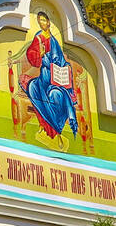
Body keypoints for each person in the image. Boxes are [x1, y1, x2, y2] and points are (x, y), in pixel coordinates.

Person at [24, 12, 78, 141]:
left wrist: (65, 67)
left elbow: (60, 59)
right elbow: (31, 53)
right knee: (33, 87)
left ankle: (56, 126)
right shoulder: (38, 37)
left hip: (57, 75)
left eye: (43, 20)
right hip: (46, 74)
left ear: (48, 22)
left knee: (56, 94)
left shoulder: (54, 40)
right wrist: (41, 55)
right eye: (39, 20)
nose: (41, 23)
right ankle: (46, 125)